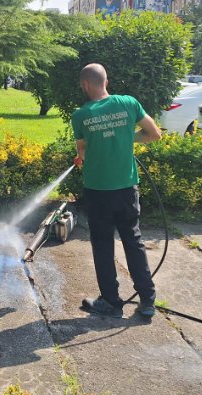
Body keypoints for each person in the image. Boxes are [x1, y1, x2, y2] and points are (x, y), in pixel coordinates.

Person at [70, 63, 162, 318]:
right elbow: (154, 134)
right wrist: (125, 137)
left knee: (102, 245)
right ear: (106, 82)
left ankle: (111, 302)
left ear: (85, 85)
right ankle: (147, 302)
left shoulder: (81, 115)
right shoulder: (129, 103)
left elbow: (83, 151)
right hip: (126, 189)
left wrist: (83, 155)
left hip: (98, 191)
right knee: (133, 241)